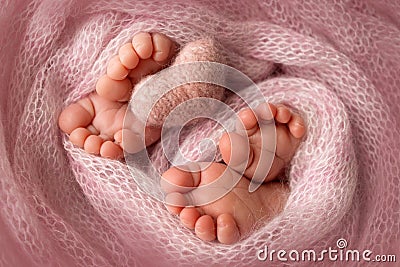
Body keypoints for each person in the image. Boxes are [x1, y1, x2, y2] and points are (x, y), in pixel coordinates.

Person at [58, 32, 306, 244]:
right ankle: (147, 107)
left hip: (242, 76)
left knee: (285, 109)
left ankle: (148, 104)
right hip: (226, 83)